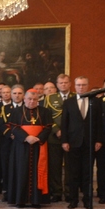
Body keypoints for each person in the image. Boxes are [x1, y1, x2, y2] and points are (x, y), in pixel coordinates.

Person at [60, 76, 102, 209]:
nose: (81, 87)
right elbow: (64, 123)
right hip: (73, 143)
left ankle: (87, 200)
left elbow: (99, 123)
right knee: (73, 173)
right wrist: (64, 141)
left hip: (90, 142)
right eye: (78, 85)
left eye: (84, 85)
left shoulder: (95, 102)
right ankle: (73, 200)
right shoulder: (69, 102)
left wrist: (99, 140)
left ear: (88, 85)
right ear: (74, 86)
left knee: (87, 173)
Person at [7, 89, 50, 207]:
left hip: (39, 146)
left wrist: (38, 138)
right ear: (24, 99)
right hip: (21, 146)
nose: (32, 101)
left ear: (38, 100)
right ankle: (20, 200)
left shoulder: (45, 111)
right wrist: (26, 137)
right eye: (30, 99)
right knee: (21, 171)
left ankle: (36, 200)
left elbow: (48, 127)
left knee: (38, 171)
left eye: (35, 99)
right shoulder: (16, 111)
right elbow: (13, 127)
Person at [44, 74, 71, 202]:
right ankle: (56, 192)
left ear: (70, 83)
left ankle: (69, 192)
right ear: (57, 85)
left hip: (71, 137)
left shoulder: (75, 97)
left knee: (70, 167)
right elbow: (47, 117)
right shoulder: (50, 98)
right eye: (61, 83)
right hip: (54, 137)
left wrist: (67, 133)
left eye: (66, 82)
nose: (63, 85)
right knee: (55, 167)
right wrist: (56, 130)